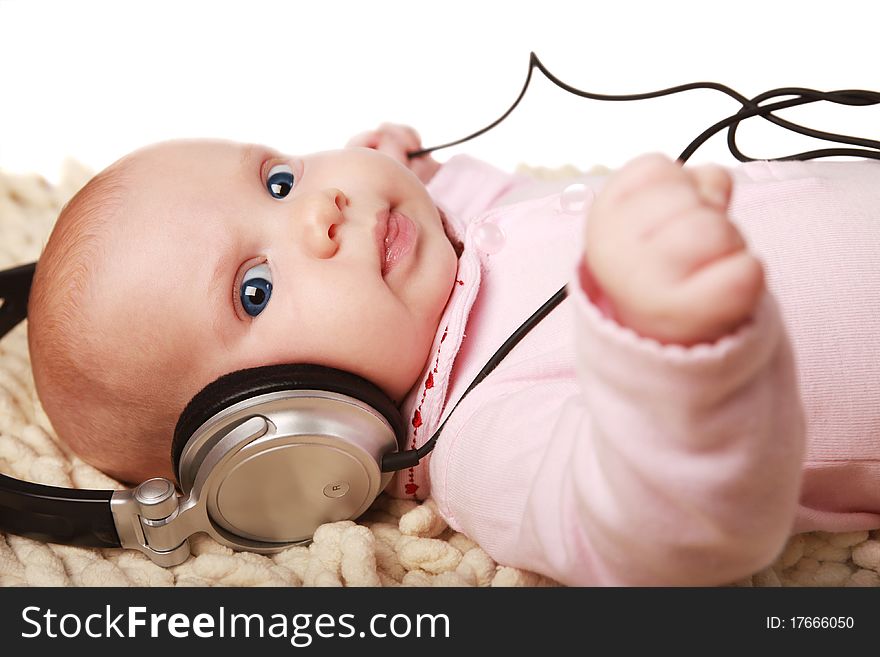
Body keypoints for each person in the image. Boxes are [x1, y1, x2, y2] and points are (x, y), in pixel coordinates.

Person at [25, 123, 880, 585]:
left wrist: (416, 170)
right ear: (282, 424)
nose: (319, 210)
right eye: (256, 288)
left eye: (277, 178)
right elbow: (661, 529)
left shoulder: (457, 234)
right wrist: (674, 356)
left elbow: (490, 210)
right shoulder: (480, 442)